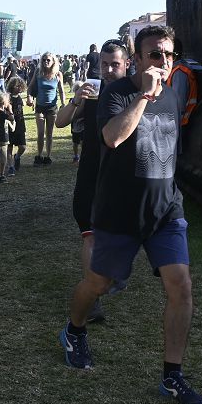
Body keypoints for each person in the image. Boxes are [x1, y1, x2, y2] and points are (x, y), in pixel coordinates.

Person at [58, 25, 202, 404]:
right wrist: (143, 95)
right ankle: (74, 331)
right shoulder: (116, 92)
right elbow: (112, 136)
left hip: (164, 210)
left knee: (181, 285)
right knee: (99, 282)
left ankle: (171, 375)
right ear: (138, 59)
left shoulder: (175, 95)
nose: (163, 62)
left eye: (169, 55)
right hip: (119, 211)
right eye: (155, 55)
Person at [54, 39, 130, 325]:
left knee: (121, 233)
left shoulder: (135, 94)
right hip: (91, 175)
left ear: (127, 65)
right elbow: (60, 122)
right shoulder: (91, 94)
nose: (109, 70)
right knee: (91, 234)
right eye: (105, 65)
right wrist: (77, 99)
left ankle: (113, 273)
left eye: (115, 65)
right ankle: (94, 297)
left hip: (125, 178)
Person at [27, 52, 65, 165]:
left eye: (48, 60)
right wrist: (29, 97)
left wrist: (63, 104)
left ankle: (48, 156)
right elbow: (30, 87)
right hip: (40, 106)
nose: (46, 62)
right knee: (40, 133)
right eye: (43, 60)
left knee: (49, 133)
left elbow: (62, 90)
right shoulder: (38, 72)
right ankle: (39, 156)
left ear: (53, 61)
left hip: (52, 108)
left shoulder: (58, 74)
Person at [5, 76, 28, 176]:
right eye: (17, 86)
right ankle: (10, 167)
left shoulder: (20, 98)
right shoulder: (7, 98)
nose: (19, 88)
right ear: (12, 87)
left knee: (22, 146)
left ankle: (17, 157)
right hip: (10, 126)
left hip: (20, 125)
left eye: (20, 86)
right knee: (9, 147)